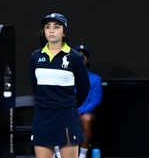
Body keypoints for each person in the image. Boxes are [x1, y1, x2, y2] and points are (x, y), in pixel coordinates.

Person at [29, 13, 90, 158]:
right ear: (43, 31)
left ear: (63, 32)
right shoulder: (35, 57)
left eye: (56, 27)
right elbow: (35, 86)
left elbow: (84, 87)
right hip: (42, 116)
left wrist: (68, 103)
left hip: (67, 116)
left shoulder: (74, 57)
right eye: (47, 27)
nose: (51, 30)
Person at [74, 44, 103, 158]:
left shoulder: (96, 79)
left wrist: (80, 111)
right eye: (78, 56)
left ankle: (82, 155)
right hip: (71, 112)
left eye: (84, 56)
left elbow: (96, 101)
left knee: (86, 118)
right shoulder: (67, 78)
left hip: (87, 113)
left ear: (87, 59)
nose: (81, 58)